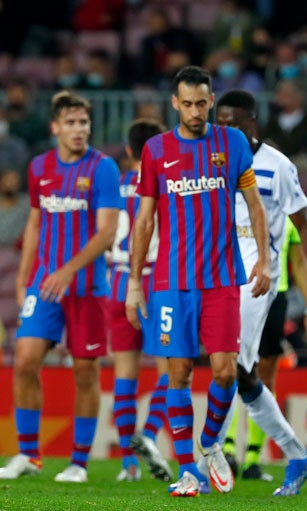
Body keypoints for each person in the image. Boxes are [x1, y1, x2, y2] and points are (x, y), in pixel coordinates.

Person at [125, 66, 271, 498]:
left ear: (211, 101)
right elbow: (145, 219)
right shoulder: (156, 150)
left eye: (201, 103)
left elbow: (254, 204)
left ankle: (209, 443)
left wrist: (263, 259)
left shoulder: (232, 142)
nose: (194, 111)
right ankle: (188, 469)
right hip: (171, 281)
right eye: (186, 103)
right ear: (175, 103)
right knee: (180, 372)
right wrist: (135, 281)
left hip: (222, 278)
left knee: (226, 372)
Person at [0, 91, 120, 483]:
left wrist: (68, 270)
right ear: (55, 127)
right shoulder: (39, 167)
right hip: (45, 285)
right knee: (26, 359)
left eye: (84, 123)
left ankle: (79, 463)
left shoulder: (103, 168)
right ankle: (29, 455)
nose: (79, 130)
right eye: (71, 123)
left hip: (87, 288)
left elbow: (108, 232)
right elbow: (34, 222)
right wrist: (22, 275)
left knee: (85, 370)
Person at [212, 89, 307, 495]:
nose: (223, 130)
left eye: (231, 123)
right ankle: (299, 455)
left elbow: (305, 226)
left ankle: (209, 461)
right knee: (241, 375)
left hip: (258, 281)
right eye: (218, 123)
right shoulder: (212, 162)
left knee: (229, 367)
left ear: (251, 123)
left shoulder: (277, 166)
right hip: (216, 277)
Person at [107, 118, 173, 483]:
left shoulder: (114, 186)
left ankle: (127, 465)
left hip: (116, 284)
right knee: (169, 370)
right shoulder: (164, 186)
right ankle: (147, 436)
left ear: (130, 150)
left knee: (124, 376)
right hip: (154, 285)